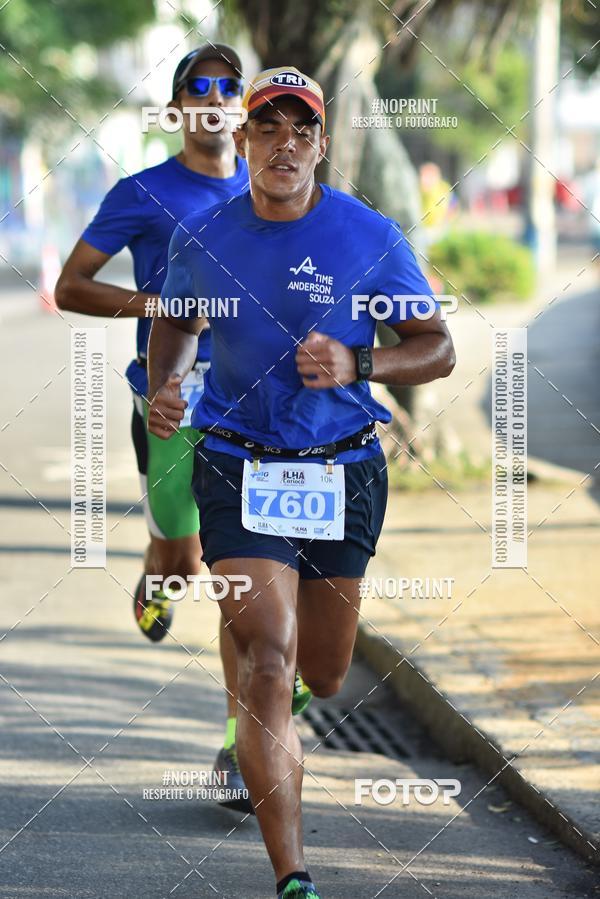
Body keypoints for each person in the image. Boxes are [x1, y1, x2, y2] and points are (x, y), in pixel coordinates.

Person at [147, 66, 455, 899]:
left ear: (322, 144)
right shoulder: (203, 238)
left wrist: (363, 361)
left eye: (301, 130)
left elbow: (437, 346)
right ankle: (293, 874)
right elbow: (174, 323)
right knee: (268, 663)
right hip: (237, 455)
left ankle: (267, 660)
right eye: (267, 128)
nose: (284, 144)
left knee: (321, 671)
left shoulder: (372, 237)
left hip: (345, 465)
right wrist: (166, 384)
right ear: (242, 139)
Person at [55, 43, 262, 813]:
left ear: (242, 105)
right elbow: (70, 284)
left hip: (256, 412)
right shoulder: (142, 192)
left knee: (235, 572)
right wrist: (162, 307)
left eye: (228, 87)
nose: (214, 97)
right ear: (177, 108)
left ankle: (239, 751)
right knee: (181, 557)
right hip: (169, 403)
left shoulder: (277, 186)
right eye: (197, 87)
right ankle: (155, 575)